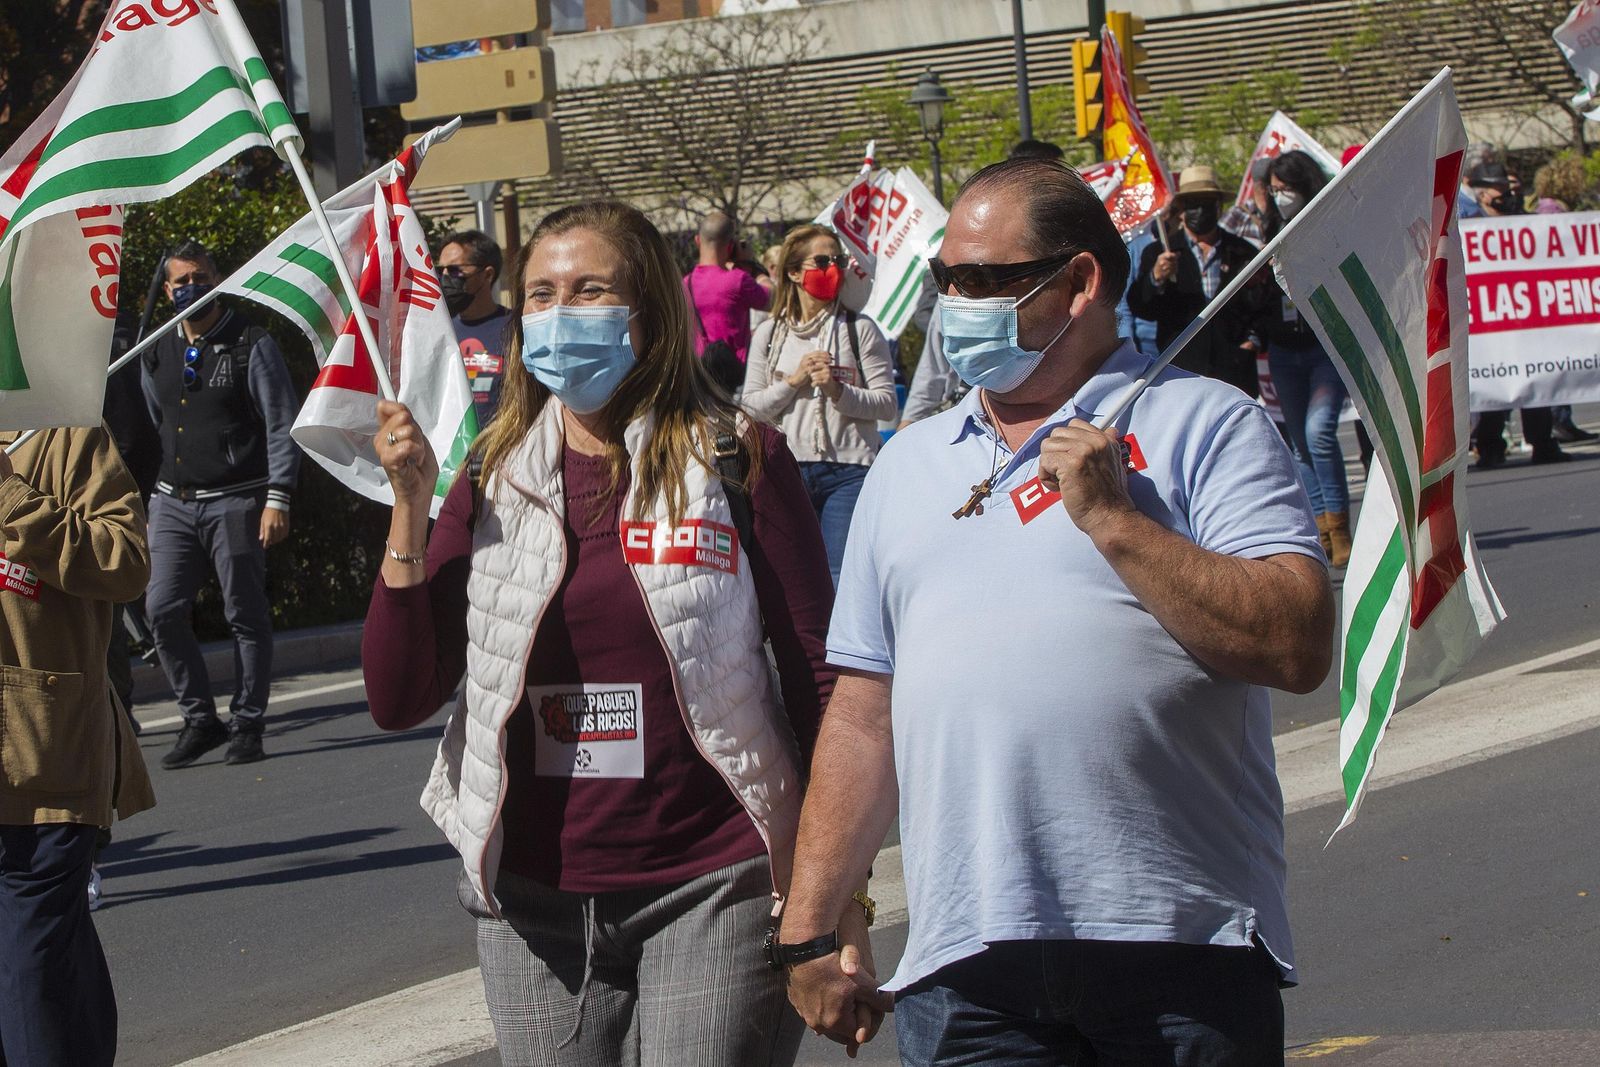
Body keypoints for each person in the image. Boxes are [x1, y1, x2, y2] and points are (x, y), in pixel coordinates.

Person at [780, 157, 1334, 1062]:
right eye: (945, 280)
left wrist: (1118, 522)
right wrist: (808, 923)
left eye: (982, 281)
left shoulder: (1210, 423)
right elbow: (863, 712)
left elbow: (1295, 644)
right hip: (967, 965)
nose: (954, 304)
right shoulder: (909, 462)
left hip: (1176, 946)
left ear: (1078, 282)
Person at [361, 200, 857, 1065]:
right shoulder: (489, 474)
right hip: (532, 902)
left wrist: (834, 897)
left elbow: (819, 680)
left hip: (717, 882)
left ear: (647, 312)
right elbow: (399, 697)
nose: (561, 314)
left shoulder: (737, 457)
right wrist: (409, 505)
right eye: (542, 295)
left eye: (590, 290)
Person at [0, 423, 155, 1066]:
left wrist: (11, 499)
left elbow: (126, 562)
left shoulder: (69, 439)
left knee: (29, 967)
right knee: (47, 963)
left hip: (46, 764)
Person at [142, 240, 301, 768]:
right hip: (172, 503)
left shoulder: (251, 342)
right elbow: (157, 418)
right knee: (161, 609)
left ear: (218, 279)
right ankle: (199, 719)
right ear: (167, 290)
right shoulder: (157, 347)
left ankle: (248, 723)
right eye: (181, 281)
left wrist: (278, 497)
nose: (192, 288)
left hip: (237, 500)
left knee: (245, 614)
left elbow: (281, 422)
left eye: (201, 277)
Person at [741, 224, 899, 584]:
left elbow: (886, 405)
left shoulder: (859, 329)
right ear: (794, 273)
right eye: (823, 261)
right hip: (785, 470)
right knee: (791, 578)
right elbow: (750, 408)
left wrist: (837, 391)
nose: (834, 269)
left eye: (839, 261)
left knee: (840, 577)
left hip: (848, 472)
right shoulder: (769, 334)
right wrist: (793, 382)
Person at [1253, 150, 1353, 566]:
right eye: (1274, 190)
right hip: (1283, 350)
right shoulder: (1269, 230)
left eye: (1286, 189)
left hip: (1323, 347)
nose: (1280, 197)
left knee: (1319, 432)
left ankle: (1340, 526)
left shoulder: (1327, 226)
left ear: (1304, 186)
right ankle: (1322, 529)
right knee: (1299, 444)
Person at [1465, 163, 1572, 466]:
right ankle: (1489, 445)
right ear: (1483, 193)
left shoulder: (1526, 223)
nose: (1508, 193)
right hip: (1491, 319)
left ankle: (1542, 441)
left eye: (1508, 187)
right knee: (1495, 382)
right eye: (1500, 187)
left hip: (1527, 317)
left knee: (1535, 379)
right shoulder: (1469, 226)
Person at [1128, 164, 1262, 396]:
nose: (1200, 210)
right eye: (1192, 204)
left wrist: (1252, 341)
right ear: (1181, 209)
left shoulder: (1242, 251)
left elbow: (1262, 302)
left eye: (1207, 203)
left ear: (1219, 207)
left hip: (1234, 370)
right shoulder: (1160, 251)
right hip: (1181, 370)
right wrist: (1156, 278)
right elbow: (1141, 306)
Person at [684, 211, 772, 395]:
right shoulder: (738, 280)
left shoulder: (685, 284)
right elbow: (772, 299)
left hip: (699, 379)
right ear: (731, 246)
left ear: (697, 241)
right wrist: (751, 267)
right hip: (736, 379)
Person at [439, 230, 515, 426]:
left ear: (487, 275)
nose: (445, 278)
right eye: (441, 271)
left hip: (503, 442)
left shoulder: (517, 328)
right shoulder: (441, 330)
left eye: (455, 270)